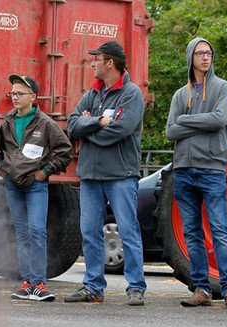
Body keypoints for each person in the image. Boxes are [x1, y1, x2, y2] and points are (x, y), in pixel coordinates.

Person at [65, 41, 147, 306]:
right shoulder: (92, 94)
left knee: (128, 230)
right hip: (90, 175)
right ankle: (93, 287)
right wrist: (97, 122)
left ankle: (135, 286)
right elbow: (72, 125)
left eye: (96, 59)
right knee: (89, 231)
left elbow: (120, 130)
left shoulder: (131, 94)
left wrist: (89, 133)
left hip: (121, 174)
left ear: (109, 62)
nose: (92, 63)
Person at [165, 37, 227, 309]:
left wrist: (184, 120)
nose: (205, 57)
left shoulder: (223, 88)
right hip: (184, 171)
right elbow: (170, 131)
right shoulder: (180, 94)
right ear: (191, 57)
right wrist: (197, 124)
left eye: (208, 53)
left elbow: (219, 120)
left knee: (220, 229)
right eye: (199, 53)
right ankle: (201, 289)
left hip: (211, 169)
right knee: (192, 232)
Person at [0, 75, 73, 301]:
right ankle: (26, 283)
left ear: (33, 97)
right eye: (13, 94)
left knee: (37, 231)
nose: (15, 98)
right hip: (12, 185)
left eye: (20, 94)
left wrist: (44, 172)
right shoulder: (7, 121)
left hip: (35, 186)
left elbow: (66, 150)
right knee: (22, 233)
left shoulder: (45, 123)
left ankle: (39, 284)